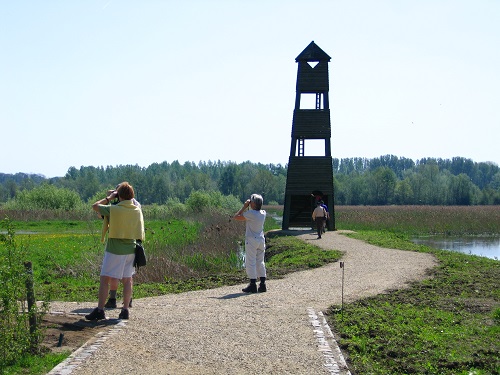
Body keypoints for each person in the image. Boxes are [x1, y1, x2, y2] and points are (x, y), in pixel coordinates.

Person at [86, 182, 144, 321]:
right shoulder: (137, 209)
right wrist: (121, 193)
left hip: (114, 249)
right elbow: (134, 202)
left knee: (105, 278)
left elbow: (95, 206)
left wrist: (110, 197)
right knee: (127, 280)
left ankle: (100, 310)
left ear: (119, 195)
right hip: (131, 248)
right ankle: (124, 310)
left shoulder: (114, 209)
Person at [103, 186, 142, 309]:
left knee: (114, 274)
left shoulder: (115, 208)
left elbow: (99, 212)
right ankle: (128, 300)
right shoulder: (135, 205)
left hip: (116, 243)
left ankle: (112, 298)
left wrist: (110, 196)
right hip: (132, 242)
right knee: (128, 277)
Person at [233, 194, 267, 293]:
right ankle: (262, 284)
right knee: (260, 262)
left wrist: (244, 206)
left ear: (253, 203)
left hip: (252, 240)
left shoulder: (251, 214)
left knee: (250, 262)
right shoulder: (263, 213)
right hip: (261, 239)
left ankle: (252, 284)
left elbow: (236, 217)